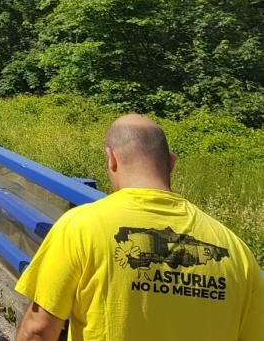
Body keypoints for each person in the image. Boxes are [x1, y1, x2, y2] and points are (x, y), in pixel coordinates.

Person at [15, 114, 264, 341]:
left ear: (112, 159)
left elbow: (39, 329)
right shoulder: (236, 250)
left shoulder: (80, 227)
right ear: (171, 163)